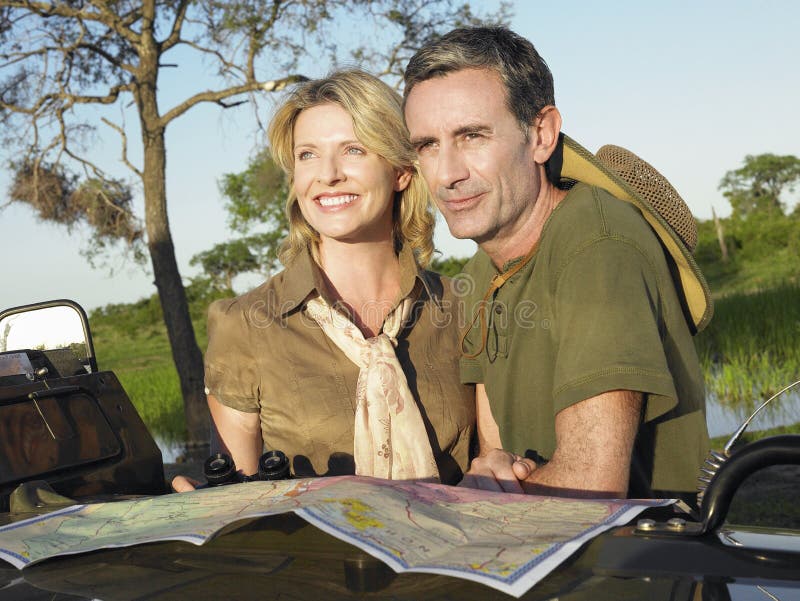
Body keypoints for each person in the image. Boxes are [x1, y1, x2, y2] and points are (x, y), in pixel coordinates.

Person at [403, 27, 712, 501]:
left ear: (541, 135)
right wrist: (493, 478)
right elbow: (495, 458)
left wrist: (482, 496)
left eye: (472, 136)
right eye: (427, 145)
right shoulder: (478, 276)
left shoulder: (597, 246)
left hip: (638, 566)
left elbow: (590, 486)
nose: (447, 174)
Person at [172, 69, 474, 492]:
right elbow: (237, 503)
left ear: (402, 171)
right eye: (307, 155)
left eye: (353, 149)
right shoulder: (242, 324)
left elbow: (494, 464)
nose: (327, 174)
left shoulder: (462, 307)